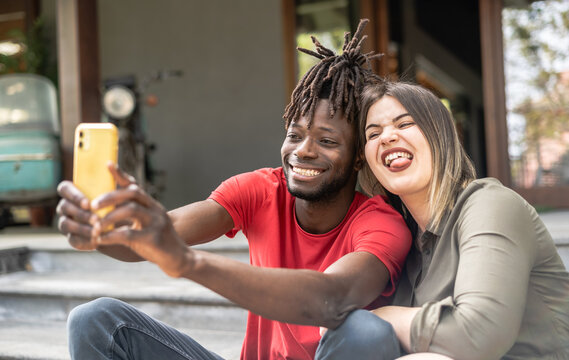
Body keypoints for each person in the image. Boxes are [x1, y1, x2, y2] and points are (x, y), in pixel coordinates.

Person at [56, 19, 412, 360]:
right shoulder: (259, 190)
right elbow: (159, 235)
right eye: (295, 135)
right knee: (97, 321)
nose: (303, 150)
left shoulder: (382, 225)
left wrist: (187, 262)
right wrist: (97, 232)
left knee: (366, 330)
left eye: (327, 140)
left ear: (357, 160)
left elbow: (331, 298)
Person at [356, 80, 569, 359]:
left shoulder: (492, 205)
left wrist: (381, 317)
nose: (386, 137)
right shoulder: (401, 239)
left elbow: (478, 335)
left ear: (440, 135)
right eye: (373, 134)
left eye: (404, 124)